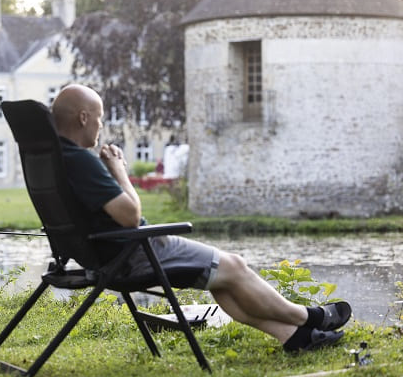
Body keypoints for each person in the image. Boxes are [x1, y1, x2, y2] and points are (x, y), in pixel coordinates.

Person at [51, 84, 352, 353]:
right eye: (100, 117)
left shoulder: (57, 158)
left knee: (222, 280)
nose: (101, 126)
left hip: (107, 255)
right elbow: (131, 216)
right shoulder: (82, 161)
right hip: (134, 252)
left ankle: (295, 338)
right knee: (234, 265)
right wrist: (118, 169)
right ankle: (311, 316)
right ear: (83, 118)